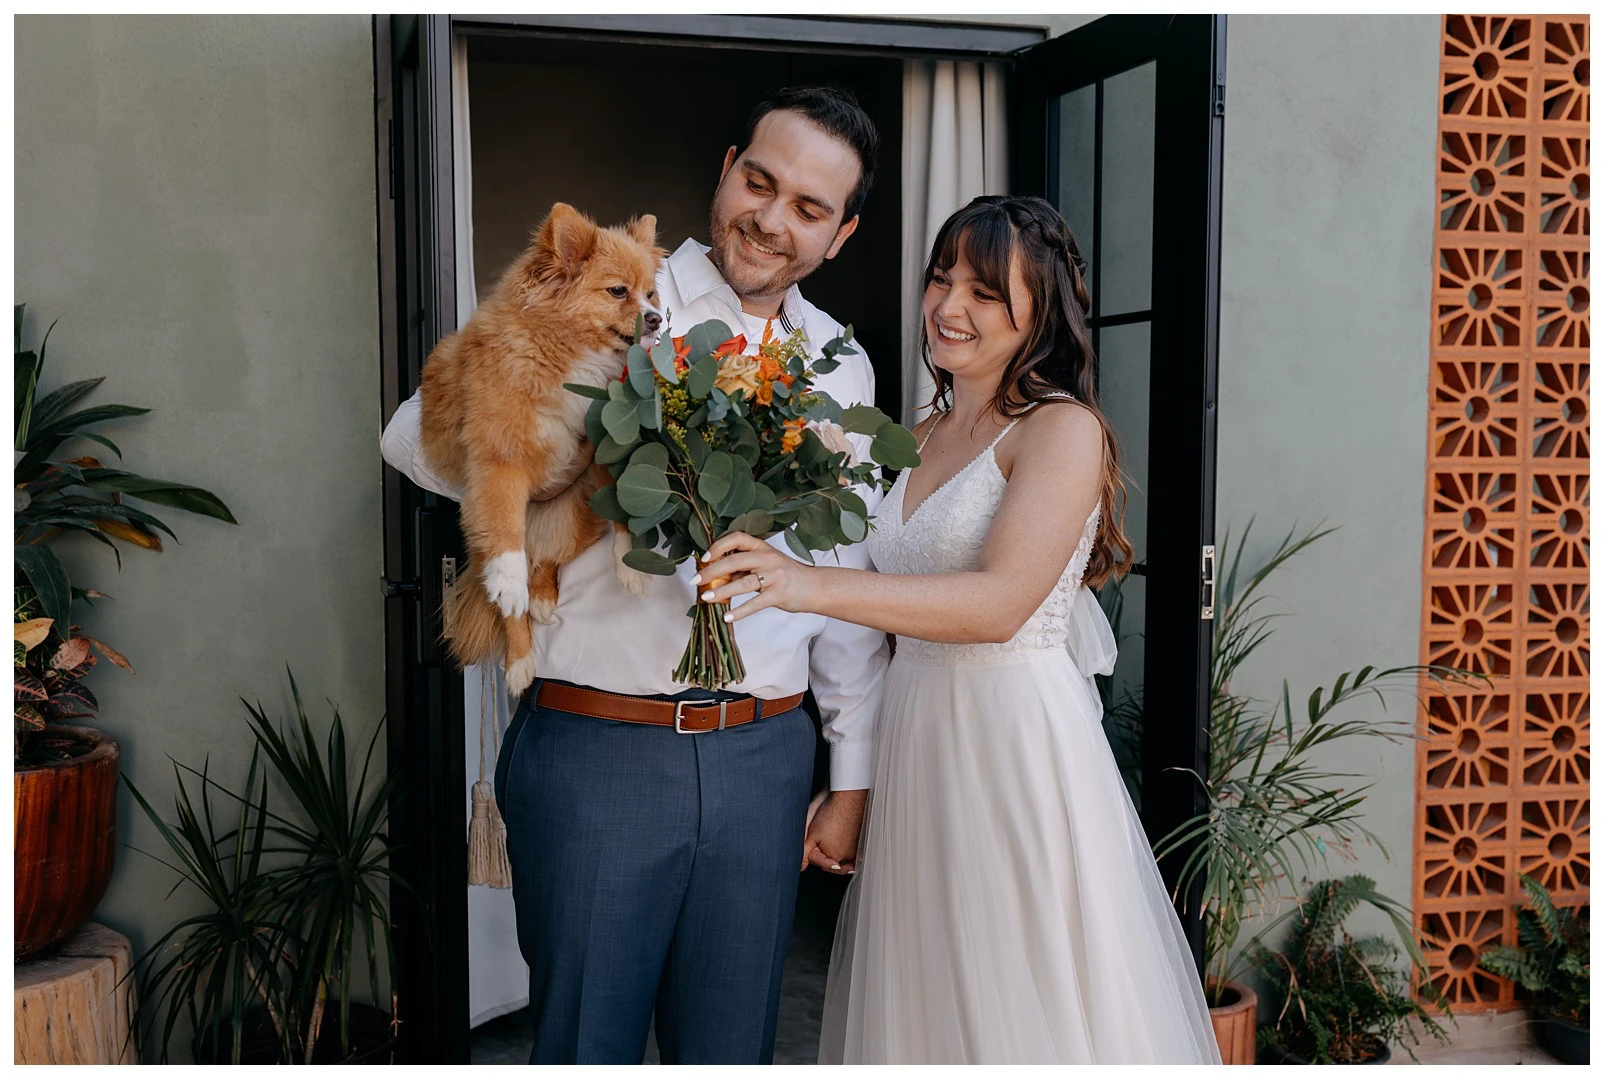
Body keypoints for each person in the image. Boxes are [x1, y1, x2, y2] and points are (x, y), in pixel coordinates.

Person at [379, 86, 887, 1064]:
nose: (770, 220)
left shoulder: (839, 367)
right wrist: (566, 458)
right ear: (727, 167)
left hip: (764, 757)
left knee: (732, 1048)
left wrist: (848, 774)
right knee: (583, 1046)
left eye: (809, 209)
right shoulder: (615, 297)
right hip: (597, 747)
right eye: (758, 181)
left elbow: (845, 581)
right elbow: (407, 431)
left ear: (841, 233)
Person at [696, 195, 1224, 1064]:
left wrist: (804, 583)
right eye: (942, 279)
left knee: (1019, 989)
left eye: (984, 292)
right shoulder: (913, 436)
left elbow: (998, 602)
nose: (948, 306)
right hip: (918, 731)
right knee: (930, 985)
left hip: (1010, 739)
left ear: (1039, 312)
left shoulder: (1061, 430)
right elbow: (869, 600)